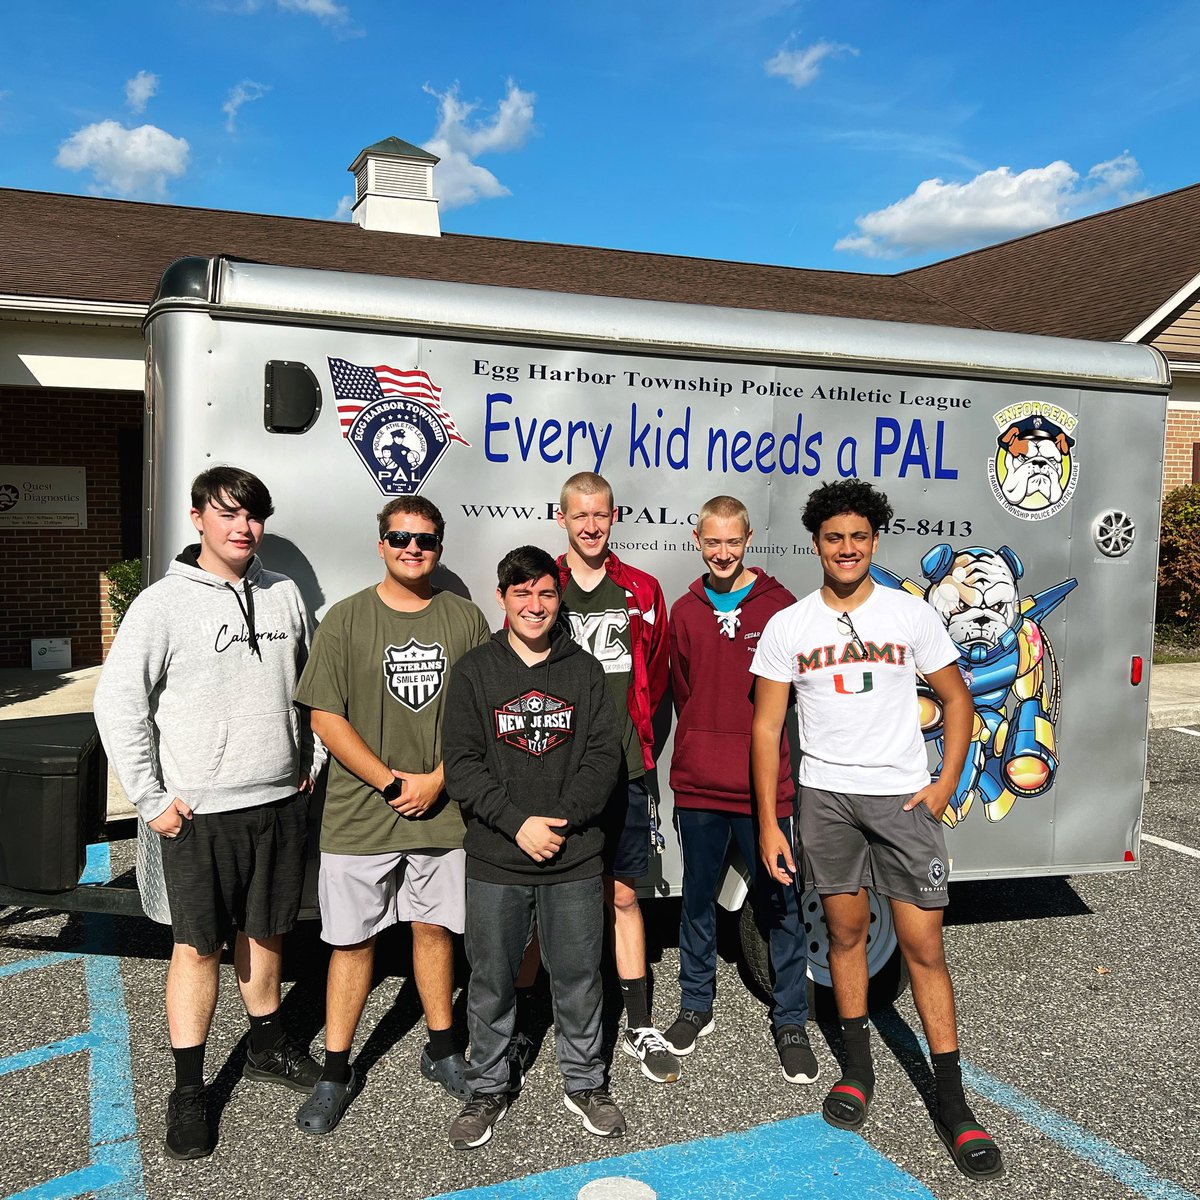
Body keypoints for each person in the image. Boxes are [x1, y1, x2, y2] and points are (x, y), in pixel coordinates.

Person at [749, 479, 1004, 1180]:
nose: (847, 549)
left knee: (922, 943)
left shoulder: (909, 615)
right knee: (845, 935)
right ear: (816, 544)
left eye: (859, 537)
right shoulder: (790, 626)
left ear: (875, 541)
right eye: (834, 538)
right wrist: (771, 822)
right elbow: (768, 726)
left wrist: (946, 782)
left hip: (899, 799)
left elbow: (956, 699)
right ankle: (857, 1070)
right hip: (824, 798)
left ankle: (953, 1102)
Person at [94, 466, 326, 1161]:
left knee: (267, 930)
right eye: (227, 513)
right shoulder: (162, 605)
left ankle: (266, 1045)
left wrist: (308, 762)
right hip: (199, 813)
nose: (242, 526)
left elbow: (310, 686)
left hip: (279, 803)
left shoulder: (283, 595)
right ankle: (189, 1091)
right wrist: (151, 797)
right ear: (197, 518)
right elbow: (119, 702)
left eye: (252, 514)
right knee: (197, 947)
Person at [293, 496, 490, 1135]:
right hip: (360, 813)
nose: (413, 548)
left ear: (440, 546)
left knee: (435, 931)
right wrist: (388, 781)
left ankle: (440, 1049)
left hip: (443, 810)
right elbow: (324, 714)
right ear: (381, 543)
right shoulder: (345, 620)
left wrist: (435, 780)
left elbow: (482, 714)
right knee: (351, 942)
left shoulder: (464, 619)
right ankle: (336, 1068)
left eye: (426, 540)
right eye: (401, 537)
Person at [442, 546, 624, 1149]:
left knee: (576, 975)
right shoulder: (474, 671)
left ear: (558, 597)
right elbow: (463, 765)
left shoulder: (586, 672)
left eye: (546, 594)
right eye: (522, 594)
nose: (535, 605)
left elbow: (604, 757)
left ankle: (586, 1082)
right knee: (491, 978)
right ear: (502, 599)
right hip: (497, 856)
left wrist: (564, 819)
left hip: (573, 856)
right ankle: (488, 1085)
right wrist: (518, 823)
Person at [663, 496, 818, 1084]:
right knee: (697, 902)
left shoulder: (781, 607)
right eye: (712, 542)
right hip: (700, 784)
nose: (722, 553)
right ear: (697, 541)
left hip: (764, 790)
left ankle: (791, 1021)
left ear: (749, 538)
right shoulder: (684, 611)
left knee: (780, 904)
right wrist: (704, 740)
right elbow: (684, 691)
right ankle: (695, 1006)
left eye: (733, 541)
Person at [554, 471, 679, 1083]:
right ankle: (539, 1020)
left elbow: (650, 675)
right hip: (554, 774)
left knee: (625, 894)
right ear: (562, 519)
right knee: (548, 892)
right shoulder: (542, 586)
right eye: (579, 515)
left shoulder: (643, 588)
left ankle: (637, 1023)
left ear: (614, 516)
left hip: (625, 768)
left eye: (600, 514)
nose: (590, 525)